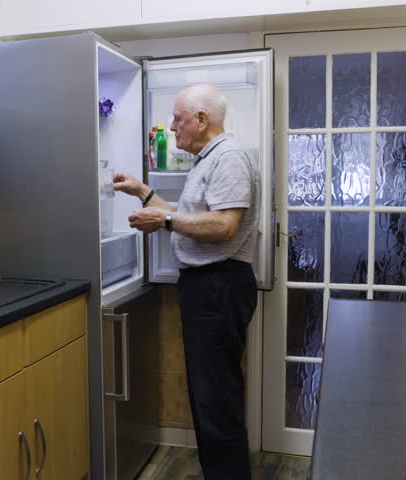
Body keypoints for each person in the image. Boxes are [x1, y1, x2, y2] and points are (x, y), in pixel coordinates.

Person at [114, 83, 259, 479]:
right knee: (210, 396)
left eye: (178, 118)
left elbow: (224, 225)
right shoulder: (210, 159)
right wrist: (144, 193)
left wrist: (162, 219)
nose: (173, 126)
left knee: (216, 401)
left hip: (218, 286)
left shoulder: (227, 158)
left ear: (201, 119)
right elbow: (191, 214)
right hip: (210, 287)